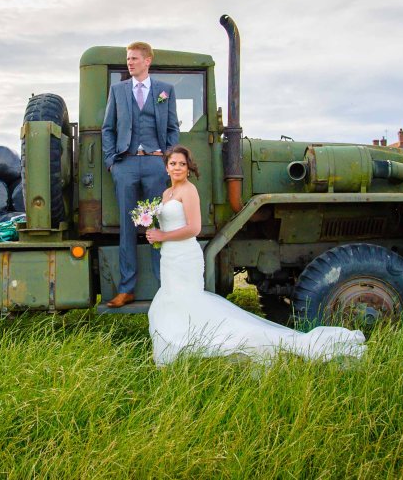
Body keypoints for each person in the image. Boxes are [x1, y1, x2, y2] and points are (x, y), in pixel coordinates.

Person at [145, 146, 367, 366]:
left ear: (188, 168)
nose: (177, 168)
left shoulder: (189, 190)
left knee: (189, 300)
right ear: (166, 167)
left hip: (184, 256)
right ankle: (185, 340)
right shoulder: (167, 194)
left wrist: (162, 235)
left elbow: (194, 228)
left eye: (182, 164)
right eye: (173, 163)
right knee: (173, 299)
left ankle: (207, 341)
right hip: (170, 257)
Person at [101, 42, 180, 308]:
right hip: (125, 165)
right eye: (128, 58)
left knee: (157, 226)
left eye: (134, 58)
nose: (129, 63)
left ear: (148, 60)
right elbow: (108, 129)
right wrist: (112, 162)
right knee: (127, 228)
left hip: (155, 166)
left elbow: (172, 129)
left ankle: (164, 288)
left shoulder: (165, 91)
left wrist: (166, 160)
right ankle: (127, 289)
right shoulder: (118, 90)